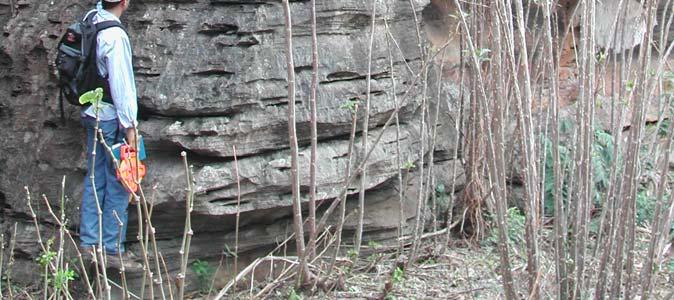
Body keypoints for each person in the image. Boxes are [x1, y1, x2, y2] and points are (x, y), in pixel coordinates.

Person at [79, 0, 139, 270]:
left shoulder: (91, 19)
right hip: (112, 119)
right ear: (125, 2)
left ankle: (89, 243)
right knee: (119, 179)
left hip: (91, 111)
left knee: (94, 178)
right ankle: (111, 249)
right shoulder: (115, 36)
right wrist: (131, 129)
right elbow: (122, 85)